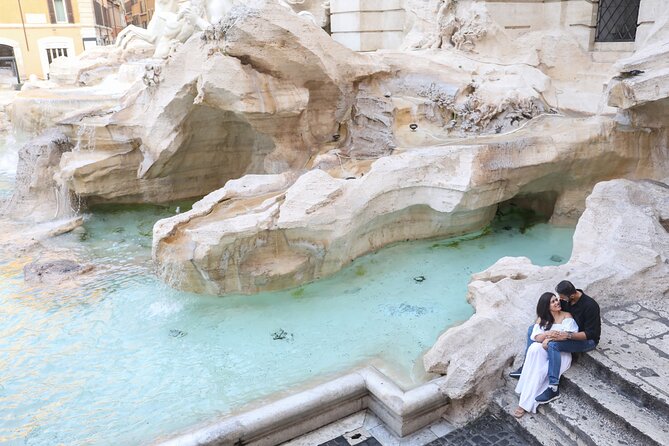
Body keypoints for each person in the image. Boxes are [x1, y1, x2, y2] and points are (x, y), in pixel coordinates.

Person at [509, 280, 601, 403]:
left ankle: (553, 387)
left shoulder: (590, 306)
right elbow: (554, 312)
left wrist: (567, 335)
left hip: (586, 340)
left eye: (561, 298)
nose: (559, 300)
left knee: (554, 345)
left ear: (572, 296)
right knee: (533, 329)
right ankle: (526, 366)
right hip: (566, 330)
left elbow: (591, 334)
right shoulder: (566, 299)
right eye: (558, 297)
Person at [513, 292, 577, 417]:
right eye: (552, 302)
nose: (557, 303)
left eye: (556, 300)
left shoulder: (566, 316)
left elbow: (569, 336)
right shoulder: (542, 319)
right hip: (544, 350)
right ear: (547, 307)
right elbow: (536, 337)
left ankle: (524, 404)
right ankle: (528, 382)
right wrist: (548, 335)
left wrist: (551, 339)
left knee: (540, 372)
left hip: (560, 353)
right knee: (534, 348)